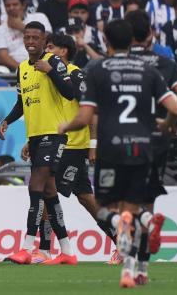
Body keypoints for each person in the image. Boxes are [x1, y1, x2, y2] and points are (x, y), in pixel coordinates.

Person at [58, 19, 177, 288]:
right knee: (137, 205)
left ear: (105, 41)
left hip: (112, 147)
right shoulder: (148, 70)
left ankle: (127, 246)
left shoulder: (98, 69)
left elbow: (86, 115)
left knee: (105, 209)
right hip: (144, 145)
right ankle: (146, 224)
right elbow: (175, 106)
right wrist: (168, 126)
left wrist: (66, 125)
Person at [28, 33, 119, 264]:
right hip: (58, 142)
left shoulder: (74, 74)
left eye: (51, 46)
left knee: (48, 191)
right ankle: (121, 241)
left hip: (73, 144)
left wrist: (93, 145)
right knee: (82, 197)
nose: (46, 50)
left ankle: (47, 250)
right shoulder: (47, 75)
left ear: (64, 51)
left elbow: (91, 110)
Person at [0, 21, 76, 265]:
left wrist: (50, 71)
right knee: (50, 193)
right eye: (27, 37)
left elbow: (70, 92)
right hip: (36, 136)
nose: (31, 42)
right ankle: (67, 252)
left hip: (54, 134)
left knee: (36, 186)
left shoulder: (53, 62)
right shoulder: (22, 67)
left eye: (35, 38)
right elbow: (22, 103)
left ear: (44, 41)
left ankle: (27, 247)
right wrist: (7, 120)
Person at [125, 9, 177, 283]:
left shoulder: (119, 64)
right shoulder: (166, 63)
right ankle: (142, 269)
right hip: (157, 139)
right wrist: (173, 123)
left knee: (127, 207)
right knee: (147, 202)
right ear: (151, 33)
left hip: (126, 138)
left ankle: (130, 268)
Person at [0, 0, 52, 70]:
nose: (11, 8)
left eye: (15, 4)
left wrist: (22, 27)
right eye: (8, 5)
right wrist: (24, 70)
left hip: (43, 66)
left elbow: (48, 42)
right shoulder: (0, 30)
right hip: (14, 73)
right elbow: (3, 57)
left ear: (23, 5)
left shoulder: (39, 17)